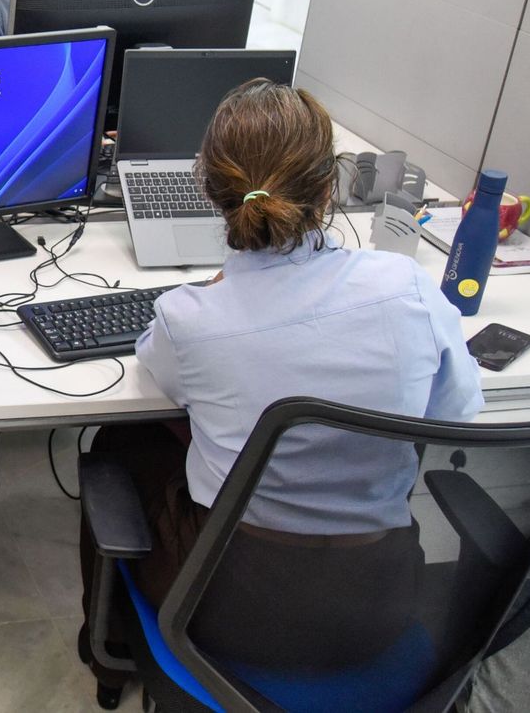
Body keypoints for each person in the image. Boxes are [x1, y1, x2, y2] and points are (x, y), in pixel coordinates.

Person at [77, 79, 484, 701]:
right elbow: (453, 415)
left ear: (210, 191)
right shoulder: (407, 288)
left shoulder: (190, 317)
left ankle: (108, 656)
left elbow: (159, 379)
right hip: (376, 606)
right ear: (329, 190)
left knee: (117, 443)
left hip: (226, 609)